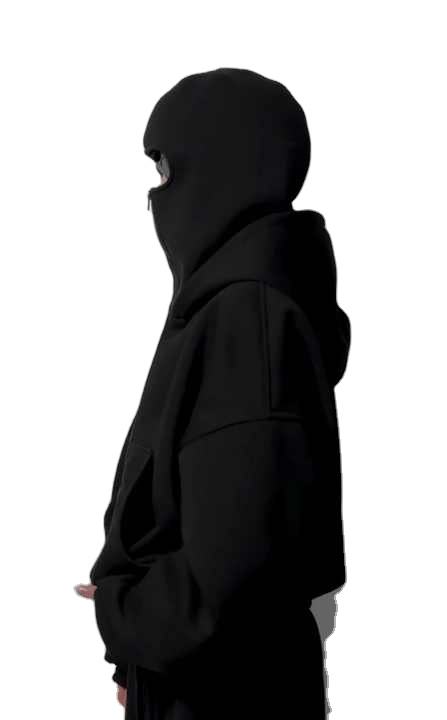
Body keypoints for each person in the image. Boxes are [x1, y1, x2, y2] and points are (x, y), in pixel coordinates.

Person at [75, 67, 351, 719]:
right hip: (207, 688)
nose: (156, 198)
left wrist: (123, 615)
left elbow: (233, 580)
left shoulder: (246, 319)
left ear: (223, 172)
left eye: (167, 172)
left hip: (220, 699)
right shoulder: (241, 309)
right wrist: (141, 662)